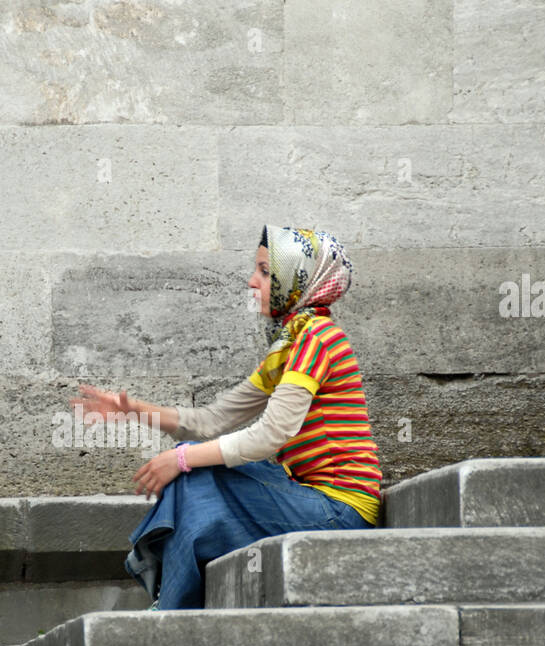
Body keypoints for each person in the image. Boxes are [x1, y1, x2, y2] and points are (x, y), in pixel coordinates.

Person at [74, 226, 382, 610]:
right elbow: (212, 420)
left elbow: (271, 435)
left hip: (340, 511)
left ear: (297, 280)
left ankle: (166, 602)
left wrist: (180, 458)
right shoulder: (291, 344)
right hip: (310, 500)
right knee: (197, 491)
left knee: (192, 471)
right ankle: (168, 600)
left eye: (266, 272)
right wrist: (133, 409)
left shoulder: (317, 338)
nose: (253, 281)